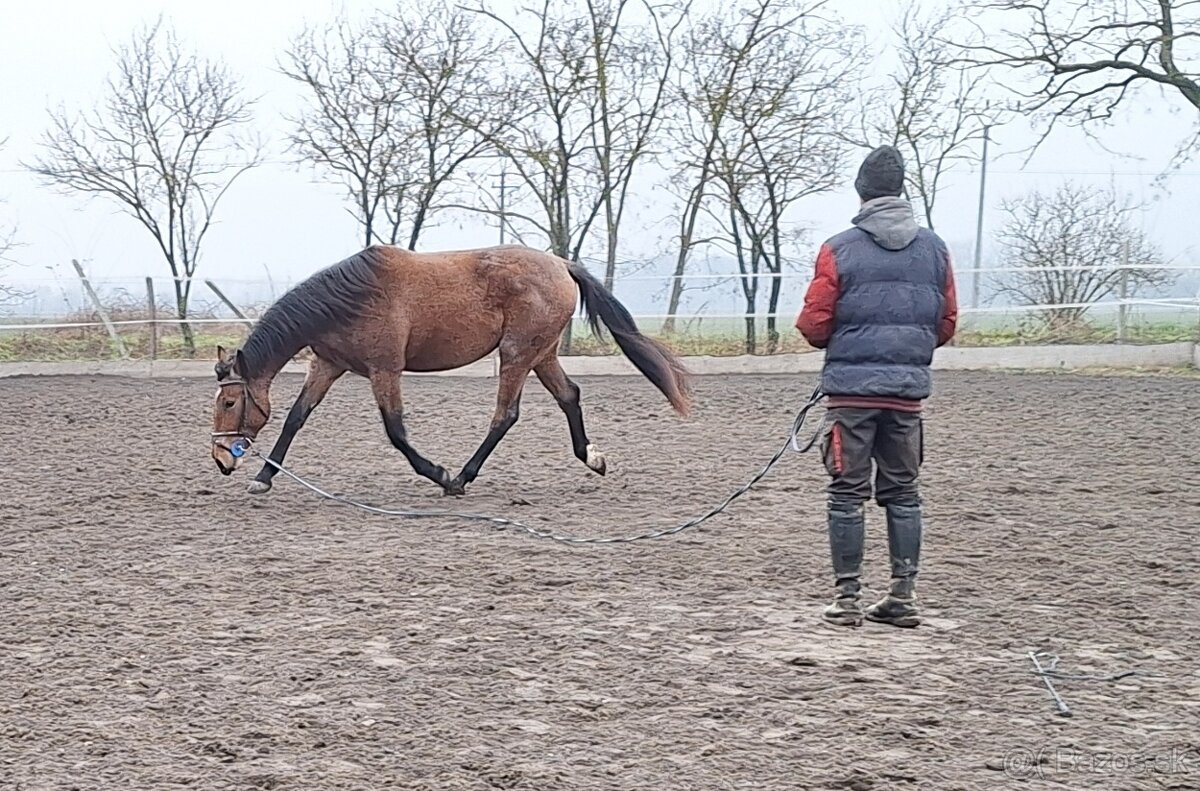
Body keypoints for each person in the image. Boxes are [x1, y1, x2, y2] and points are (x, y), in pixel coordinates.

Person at [795, 145, 958, 628]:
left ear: (861, 191)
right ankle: (902, 595)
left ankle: (846, 599)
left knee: (847, 493)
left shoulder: (838, 248)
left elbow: (813, 324)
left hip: (851, 395)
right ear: (901, 189)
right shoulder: (936, 249)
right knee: (904, 492)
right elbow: (945, 323)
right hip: (907, 395)